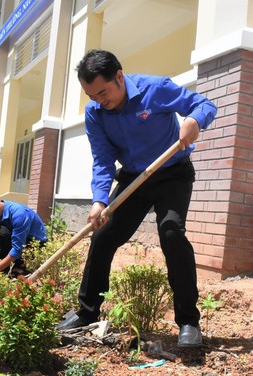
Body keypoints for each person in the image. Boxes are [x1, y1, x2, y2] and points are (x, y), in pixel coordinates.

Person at [56, 49, 217, 348]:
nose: (99, 100)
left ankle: (189, 323)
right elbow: (103, 159)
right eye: (92, 95)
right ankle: (87, 312)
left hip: (172, 172)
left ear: (119, 76)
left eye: (103, 92)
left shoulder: (154, 89)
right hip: (133, 179)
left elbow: (203, 104)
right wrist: (99, 201)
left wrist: (195, 120)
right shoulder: (96, 113)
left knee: (171, 231)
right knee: (102, 235)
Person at [0, 194, 47, 275]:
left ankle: (18, 265)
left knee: (1, 231)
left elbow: (17, 248)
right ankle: (8, 262)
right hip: (21, 241)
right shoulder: (0, 213)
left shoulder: (19, 214)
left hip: (35, 246)